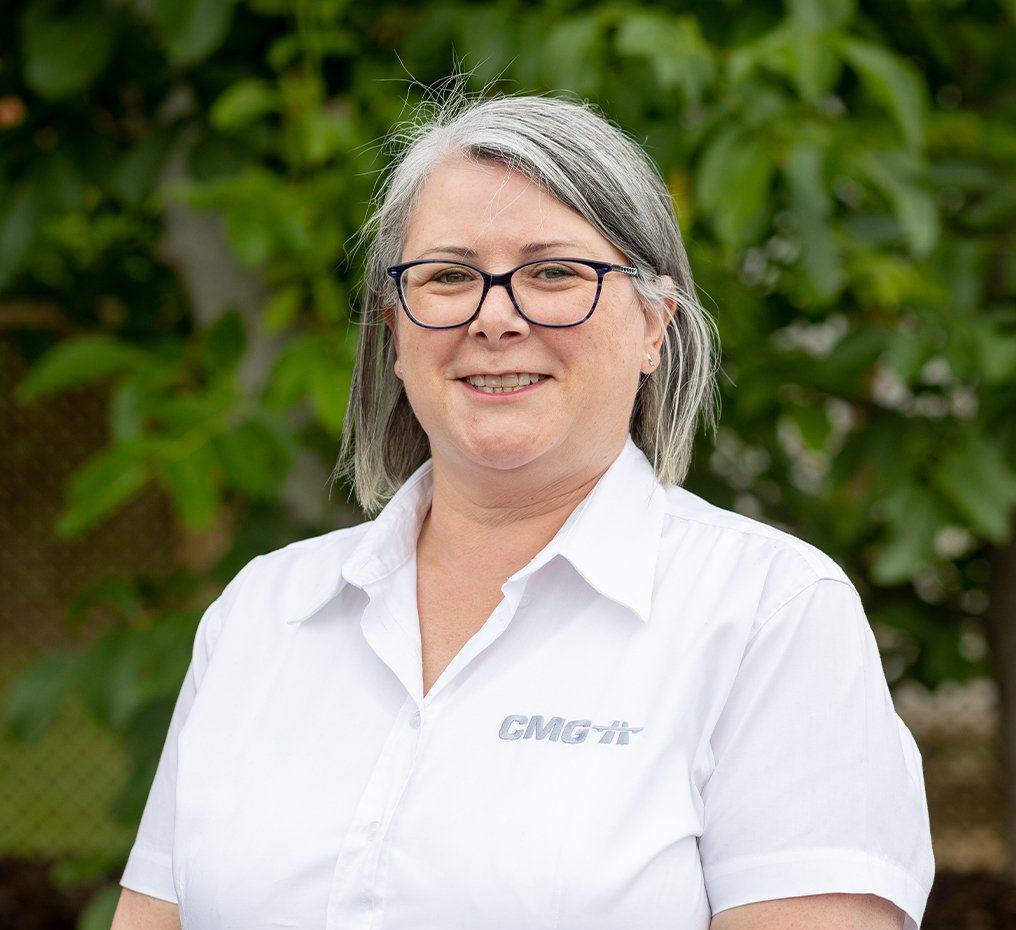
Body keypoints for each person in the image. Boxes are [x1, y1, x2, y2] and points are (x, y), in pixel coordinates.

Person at [112, 93, 934, 930]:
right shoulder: (263, 611)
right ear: (395, 332)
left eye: (554, 273)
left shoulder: (770, 614)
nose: (494, 317)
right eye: (447, 277)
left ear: (656, 324)